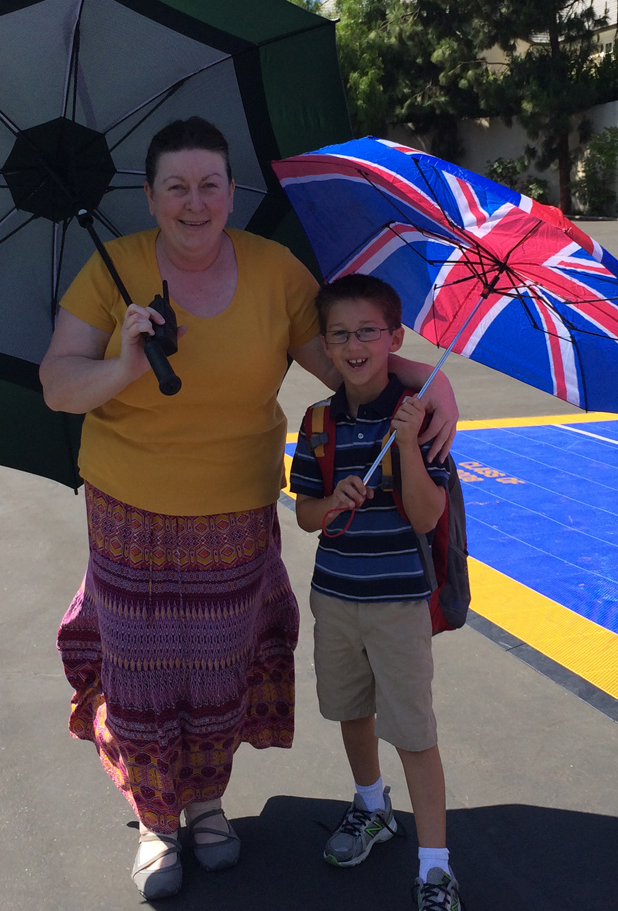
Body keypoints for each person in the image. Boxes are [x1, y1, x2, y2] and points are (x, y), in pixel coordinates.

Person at [39, 118, 460, 900]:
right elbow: (59, 386)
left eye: (210, 185)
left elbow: (343, 362)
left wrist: (424, 380)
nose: (194, 203)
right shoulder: (114, 270)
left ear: (232, 191)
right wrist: (126, 362)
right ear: (150, 196)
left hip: (236, 512)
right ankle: (157, 823)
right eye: (176, 187)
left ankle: (204, 805)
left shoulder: (274, 272)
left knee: (216, 670)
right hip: (128, 512)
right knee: (140, 673)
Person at [289, 273, 463, 911]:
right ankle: (371, 807)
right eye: (341, 334)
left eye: (369, 331)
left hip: (397, 606)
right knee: (350, 711)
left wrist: (410, 446)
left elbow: (424, 516)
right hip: (334, 599)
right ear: (326, 348)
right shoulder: (315, 422)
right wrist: (331, 501)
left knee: (414, 732)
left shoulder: (422, 417)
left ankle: (435, 865)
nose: (355, 345)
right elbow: (306, 514)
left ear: (395, 338)